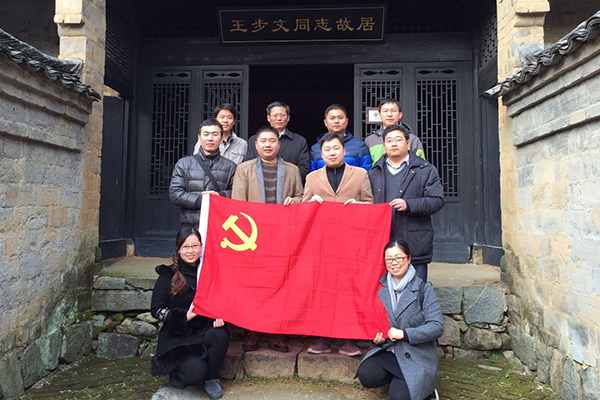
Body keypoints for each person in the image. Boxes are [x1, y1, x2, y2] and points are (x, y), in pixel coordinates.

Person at [232, 126, 303, 353]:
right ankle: (252, 330)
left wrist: (295, 201)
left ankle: (276, 331)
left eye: (272, 140)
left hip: (283, 237)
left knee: (280, 283)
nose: (267, 145)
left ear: (279, 144)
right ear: (256, 145)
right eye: (263, 141)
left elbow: (301, 196)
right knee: (253, 284)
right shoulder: (244, 169)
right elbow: (238, 204)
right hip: (253, 237)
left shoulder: (292, 170)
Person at [302, 133, 373, 357]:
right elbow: (303, 207)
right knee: (321, 290)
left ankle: (347, 339)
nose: (332, 153)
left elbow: (370, 203)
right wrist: (310, 203)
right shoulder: (312, 178)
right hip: (321, 244)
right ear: (321, 154)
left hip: (351, 243)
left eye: (335, 148)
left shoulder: (360, 174)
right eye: (327, 150)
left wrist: (359, 205)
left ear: (344, 151)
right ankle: (322, 338)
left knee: (347, 289)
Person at [356, 241, 443, 400]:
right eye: (389, 259)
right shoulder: (379, 288)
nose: (394, 263)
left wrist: (405, 334)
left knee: (399, 397)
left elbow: (437, 326)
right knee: (367, 375)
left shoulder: (423, 289)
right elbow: (375, 320)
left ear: (408, 259)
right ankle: (403, 380)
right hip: (390, 350)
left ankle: (426, 390)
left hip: (417, 354)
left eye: (398, 258)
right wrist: (377, 338)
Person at [150, 227, 230, 399]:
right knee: (195, 373)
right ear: (178, 249)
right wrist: (184, 316)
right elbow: (156, 310)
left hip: (201, 332)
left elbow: (220, 299)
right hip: (176, 338)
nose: (190, 251)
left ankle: (211, 379)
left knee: (220, 334)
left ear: (201, 247)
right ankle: (177, 372)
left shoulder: (208, 273)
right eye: (185, 247)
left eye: (194, 246)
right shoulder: (168, 275)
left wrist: (218, 316)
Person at [368, 124, 444, 282]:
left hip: (415, 240)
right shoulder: (374, 172)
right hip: (384, 241)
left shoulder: (425, 169)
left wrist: (409, 205)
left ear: (408, 143)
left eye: (398, 139)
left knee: (416, 290)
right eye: (389, 140)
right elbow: (367, 203)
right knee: (384, 292)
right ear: (384, 145)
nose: (394, 144)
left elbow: (436, 200)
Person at [170, 118, 237, 229]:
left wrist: (219, 196)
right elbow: (175, 193)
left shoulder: (231, 167)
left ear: (221, 139)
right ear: (199, 137)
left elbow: (237, 194)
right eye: (206, 134)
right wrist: (203, 201)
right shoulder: (184, 163)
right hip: (190, 225)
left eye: (215, 134)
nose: (210, 138)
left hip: (219, 225)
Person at [244, 101, 310, 183]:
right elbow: (248, 166)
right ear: (268, 118)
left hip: (288, 186)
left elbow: (304, 168)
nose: (279, 118)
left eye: (282, 115)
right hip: (258, 185)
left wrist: (285, 183)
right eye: (275, 115)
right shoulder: (254, 140)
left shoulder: (299, 141)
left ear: (288, 118)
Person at [309, 104, 372, 172]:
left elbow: (366, 172)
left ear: (346, 121)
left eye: (340, 118)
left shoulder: (359, 146)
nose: (336, 121)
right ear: (325, 122)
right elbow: (312, 174)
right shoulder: (315, 148)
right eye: (332, 118)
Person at [364, 99, 426, 164]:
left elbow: (421, 165)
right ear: (379, 115)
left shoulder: (412, 139)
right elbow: (366, 166)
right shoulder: (370, 141)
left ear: (400, 115)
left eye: (393, 111)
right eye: (385, 111)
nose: (389, 114)